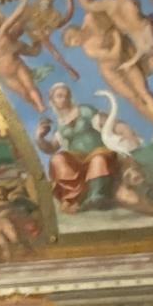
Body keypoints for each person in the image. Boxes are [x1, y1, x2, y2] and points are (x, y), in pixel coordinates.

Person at [34, 83, 121, 213]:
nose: (64, 99)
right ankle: (71, 199)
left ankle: (96, 196)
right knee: (57, 159)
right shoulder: (60, 124)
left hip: (97, 152)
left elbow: (108, 122)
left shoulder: (85, 111)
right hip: (77, 160)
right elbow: (51, 148)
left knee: (98, 159)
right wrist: (39, 138)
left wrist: (122, 130)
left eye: (66, 95)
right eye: (59, 96)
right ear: (52, 100)